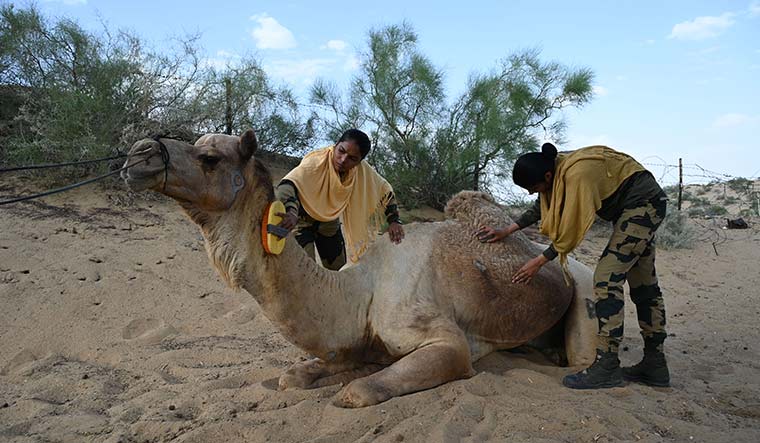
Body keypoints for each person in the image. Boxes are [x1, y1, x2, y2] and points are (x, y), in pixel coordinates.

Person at [476, 142, 670, 389]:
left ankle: (607, 365)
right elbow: (541, 203)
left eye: (533, 187)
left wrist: (539, 261)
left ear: (547, 176)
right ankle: (655, 366)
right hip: (632, 209)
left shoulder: (577, 175)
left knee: (607, 279)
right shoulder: (555, 170)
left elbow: (571, 231)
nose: (531, 193)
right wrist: (507, 229)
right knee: (644, 285)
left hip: (643, 206)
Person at [274, 128, 404, 270]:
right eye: (341, 151)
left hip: (329, 223)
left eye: (352, 158)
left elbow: (385, 190)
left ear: (359, 162)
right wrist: (291, 212)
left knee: (338, 272)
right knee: (304, 271)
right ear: (336, 145)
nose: (343, 160)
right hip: (300, 221)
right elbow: (287, 185)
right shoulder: (315, 162)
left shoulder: (360, 170)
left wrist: (394, 220)